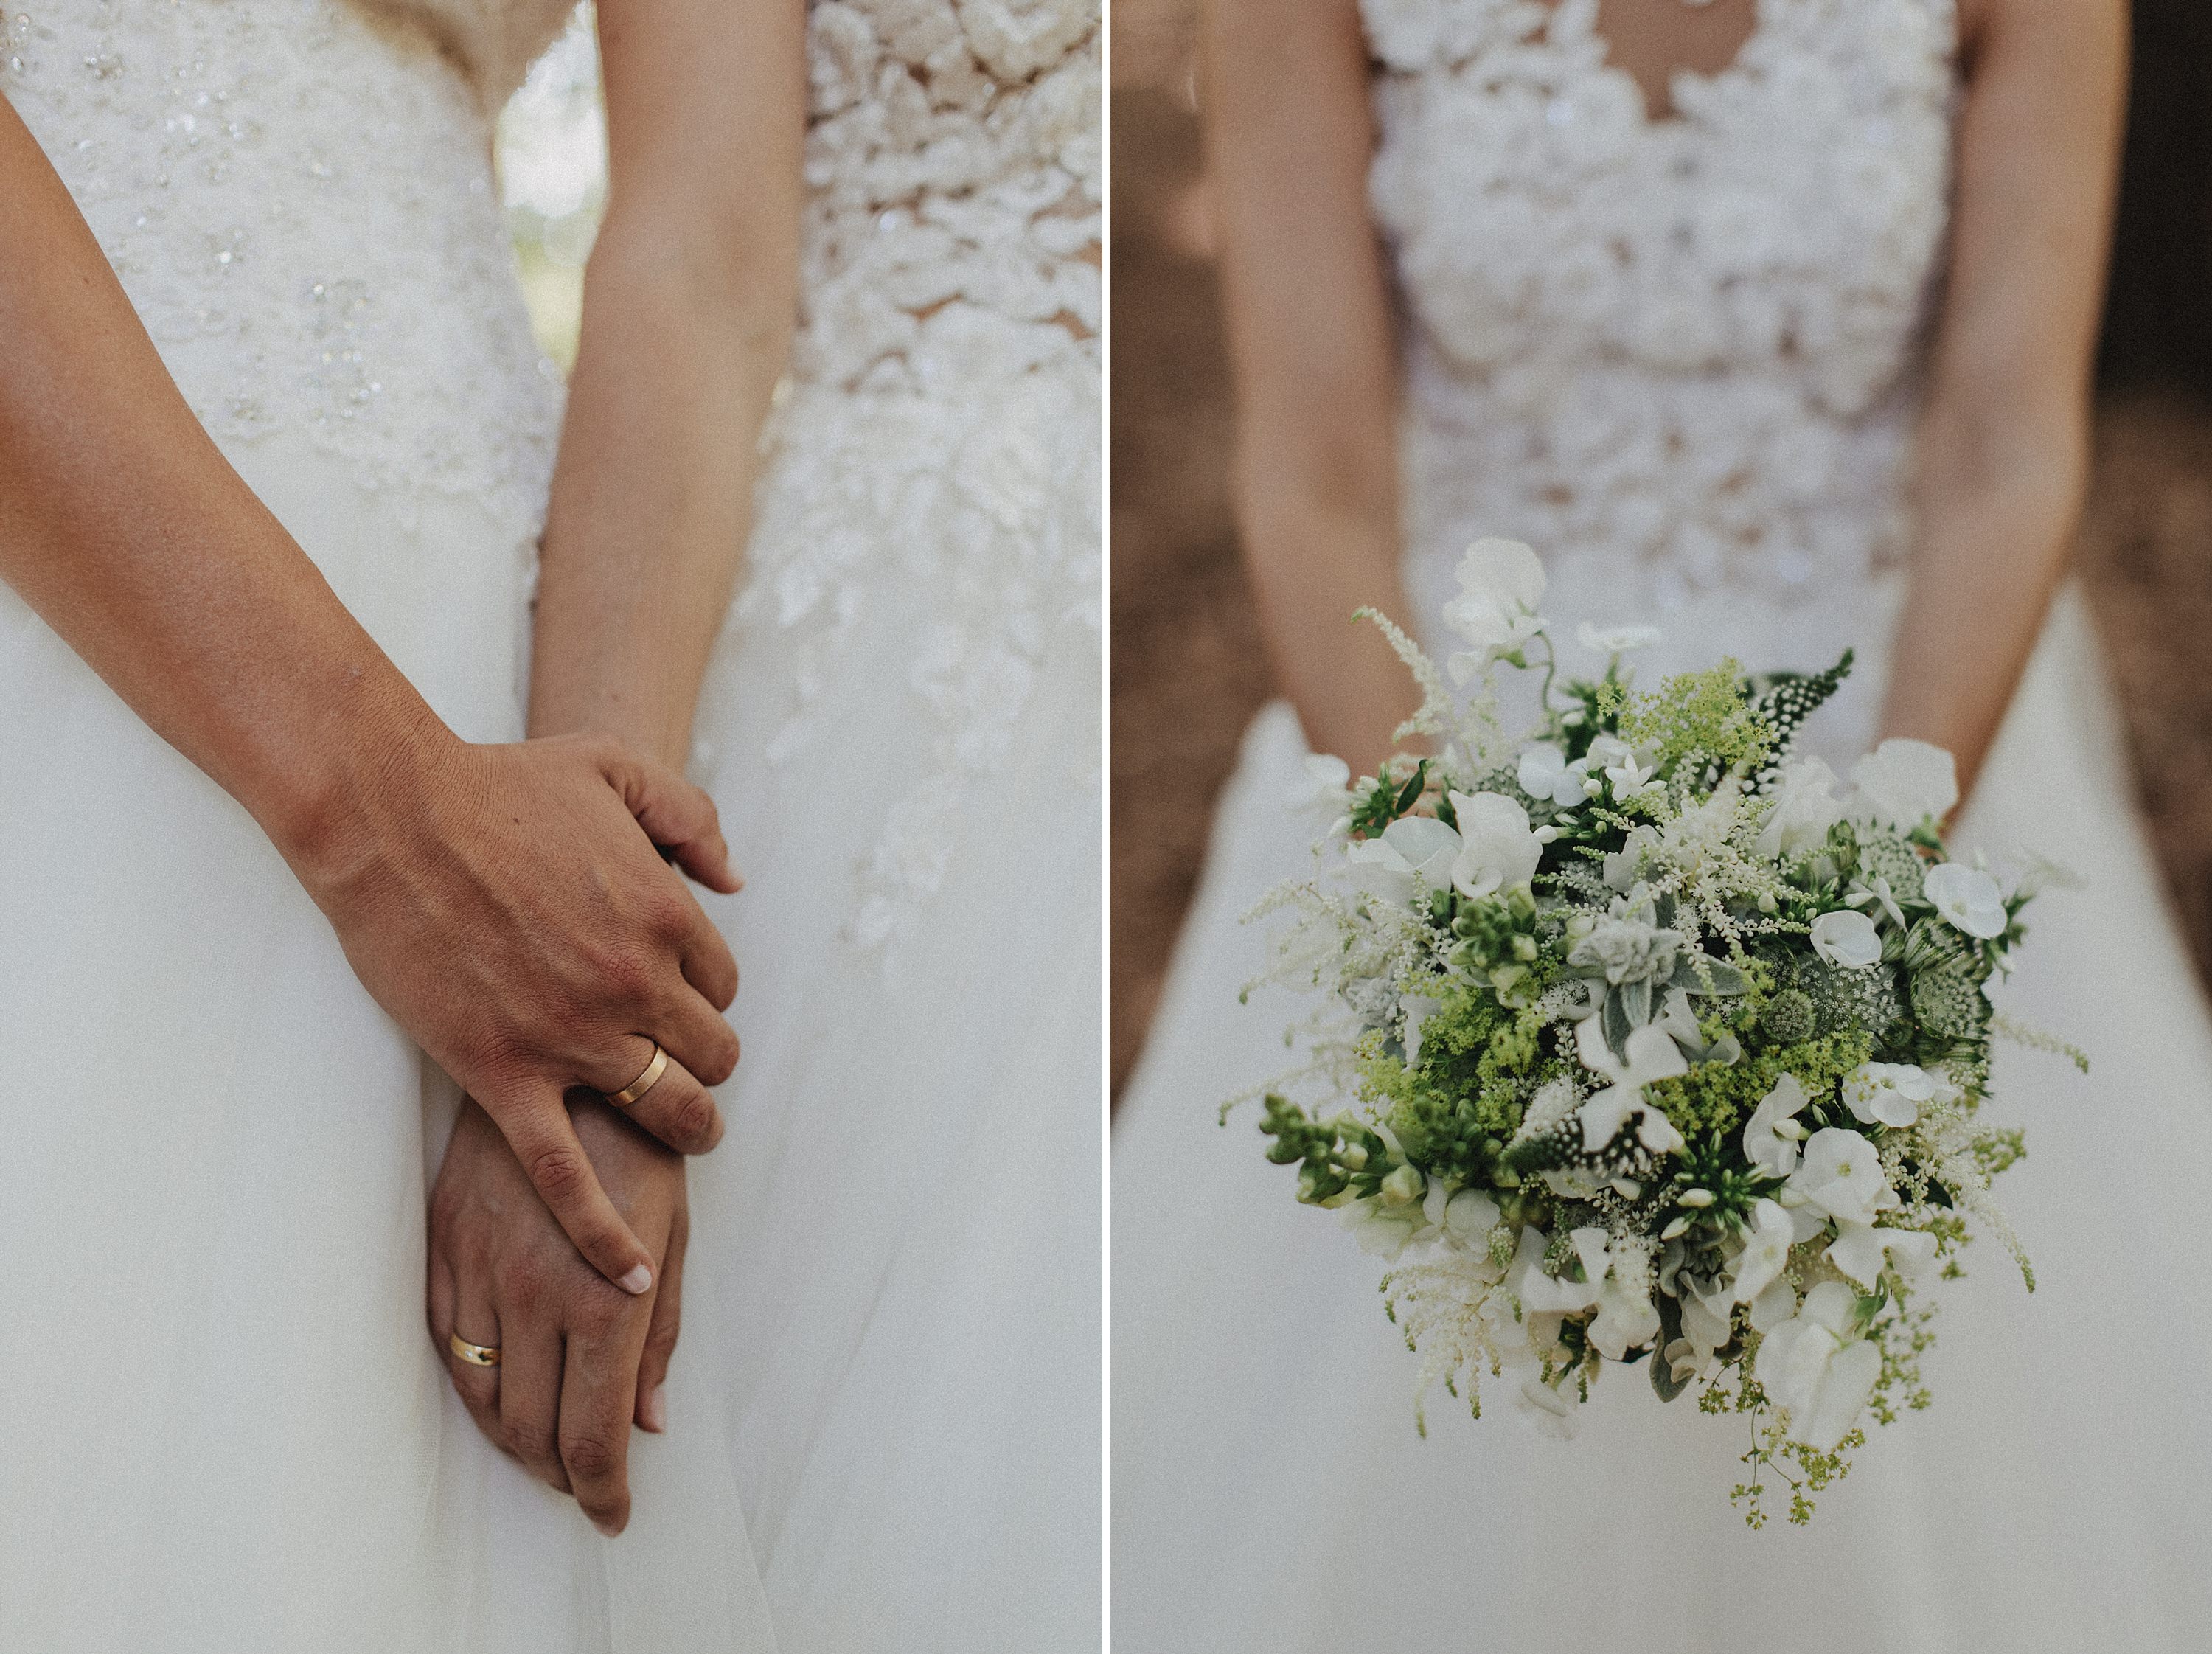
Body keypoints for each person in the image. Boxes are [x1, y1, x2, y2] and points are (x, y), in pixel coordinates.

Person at [0, 0, 1099, 1647]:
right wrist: (382, 816)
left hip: (484, 626)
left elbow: (700, 250)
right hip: (93, 560)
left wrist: (599, 936)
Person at [1113, 0, 2212, 1647]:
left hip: (1906, 737)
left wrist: (1862, 911)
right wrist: (1466, 909)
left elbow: (2001, 448)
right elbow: (1319, 467)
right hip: (1445, 744)